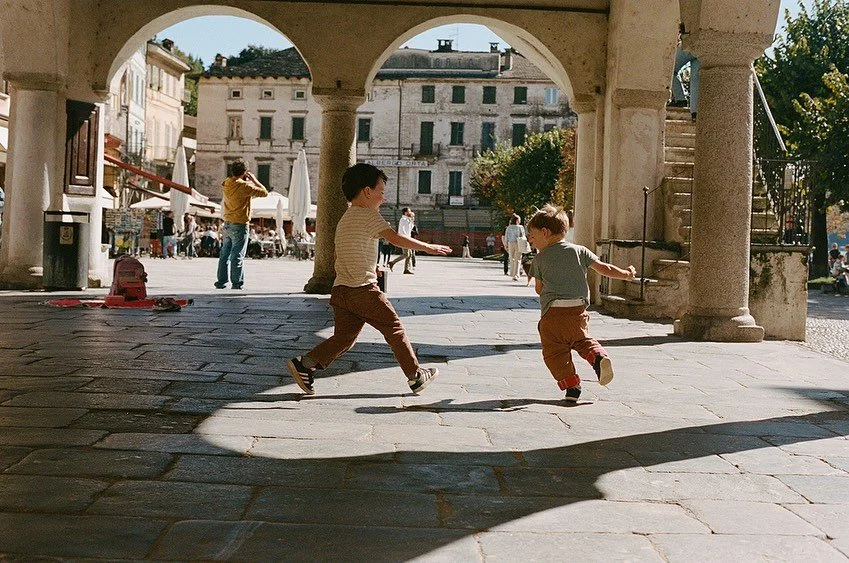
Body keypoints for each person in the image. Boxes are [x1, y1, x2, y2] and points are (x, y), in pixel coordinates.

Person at [286, 163, 451, 396]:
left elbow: (341, 252)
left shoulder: (346, 218)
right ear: (366, 191)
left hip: (341, 290)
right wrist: (428, 247)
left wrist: (368, 266)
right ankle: (415, 376)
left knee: (344, 338)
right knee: (394, 329)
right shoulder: (369, 215)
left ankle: (306, 364)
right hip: (363, 290)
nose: (383, 198)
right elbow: (395, 239)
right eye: (381, 192)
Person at [526, 204, 636, 403]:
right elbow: (604, 268)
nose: (530, 240)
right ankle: (598, 357)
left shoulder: (540, 259)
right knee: (582, 341)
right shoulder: (579, 251)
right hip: (577, 311)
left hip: (553, 315)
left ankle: (572, 386)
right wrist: (626, 274)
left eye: (532, 236)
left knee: (555, 353)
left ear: (545, 232)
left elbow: (539, 289)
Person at [215, 158, 268, 289]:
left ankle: (221, 281)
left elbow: (233, 182)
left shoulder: (226, 183)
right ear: (245, 172)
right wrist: (254, 179)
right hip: (240, 224)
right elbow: (264, 192)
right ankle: (237, 283)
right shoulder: (244, 186)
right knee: (237, 255)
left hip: (227, 223)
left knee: (224, 255)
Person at [670, 36, 700, 120]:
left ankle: (680, 99)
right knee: (695, 78)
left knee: (669, 70)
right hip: (703, 45)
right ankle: (695, 112)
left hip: (691, 42)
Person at [387, 207, 415, 274]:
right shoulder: (403, 219)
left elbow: (411, 228)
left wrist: (412, 220)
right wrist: (405, 238)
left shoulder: (408, 220)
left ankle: (406, 269)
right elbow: (402, 230)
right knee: (406, 254)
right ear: (405, 212)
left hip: (407, 238)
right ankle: (392, 262)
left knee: (409, 254)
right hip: (404, 238)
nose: (410, 212)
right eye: (409, 211)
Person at [503, 213, 526, 281]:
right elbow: (523, 236)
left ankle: (512, 274)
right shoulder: (520, 227)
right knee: (518, 259)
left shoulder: (508, 227)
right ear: (517, 220)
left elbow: (506, 236)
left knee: (511, 259)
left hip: (510, 243)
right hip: (518, 243)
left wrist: (506, 245)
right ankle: (516, 274)